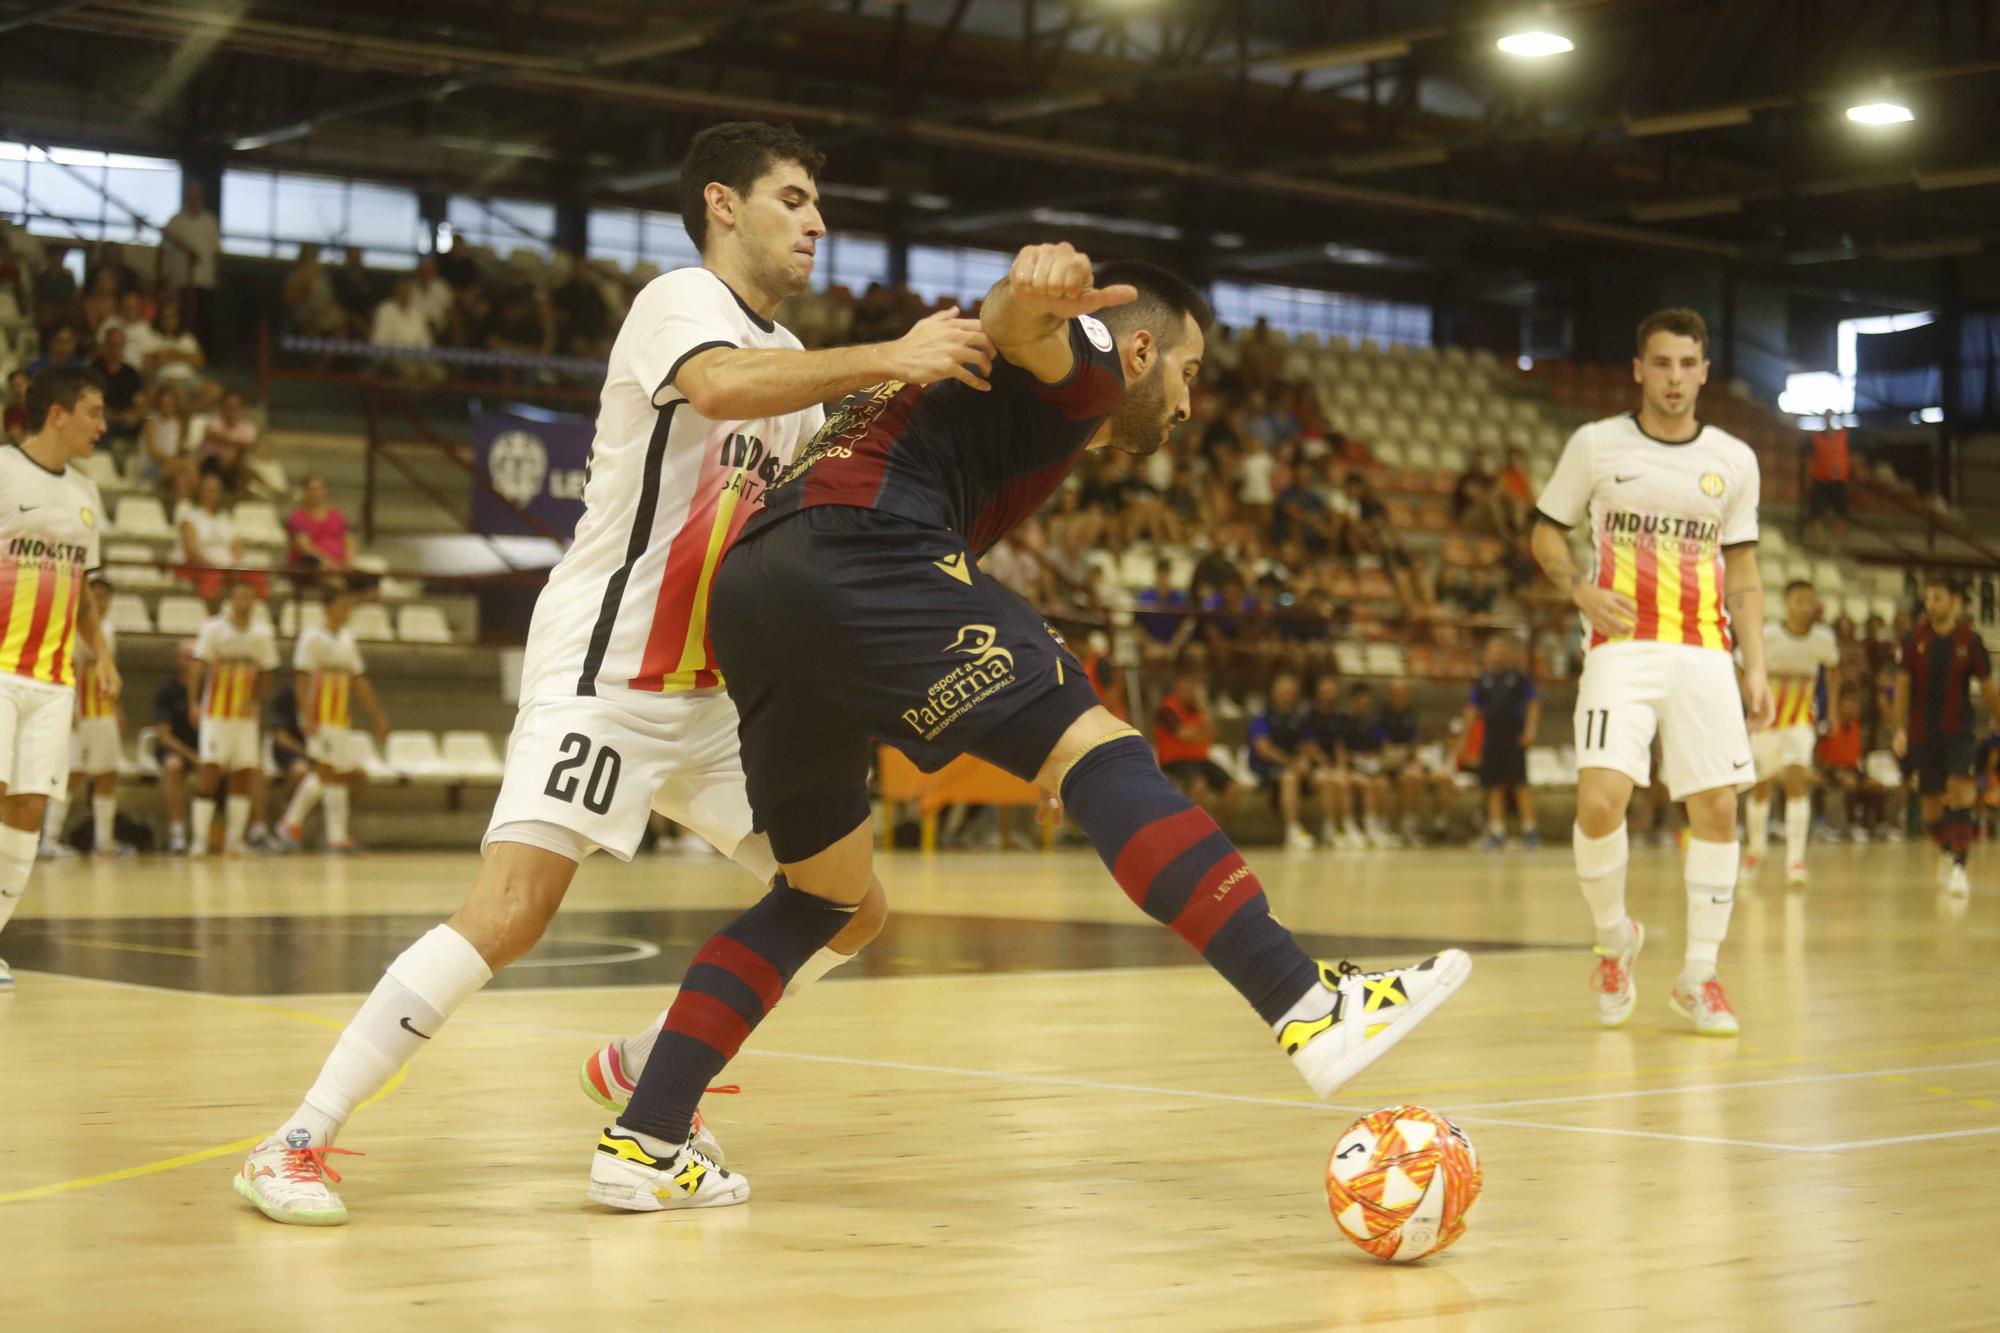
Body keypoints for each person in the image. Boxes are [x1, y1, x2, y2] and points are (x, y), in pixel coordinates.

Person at [588, 242, 1470, 1213]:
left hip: (757, 591)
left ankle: (647, 1137)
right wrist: (1031, 288)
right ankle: (1305, 1000)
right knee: (1099, 749)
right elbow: (1019, 323)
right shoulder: (1094, 364)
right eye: (1188, 372)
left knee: (819, 895)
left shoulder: (994, 407)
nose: (1188, 404)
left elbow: (1006, 339)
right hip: (863, 545)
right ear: (1141, 351)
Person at [234, 120, 997, 1225]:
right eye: (792, 199)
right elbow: (721, 388)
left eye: (816, 204)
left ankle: (652, 1067)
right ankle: (295, 1138)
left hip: (714, 695)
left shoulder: (790, 366)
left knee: (849, 905)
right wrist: (892, 354)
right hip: (609, 668)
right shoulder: (678, 302)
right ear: (722, 204)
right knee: (511, 910)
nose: (817, 223)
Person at [1530, 307, 1771, 1037]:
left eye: (1687, 364)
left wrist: (1756, 666)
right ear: (1639, 369)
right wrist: (1579, 590)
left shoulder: (1734, 459)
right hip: (1621, 648)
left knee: (1718, 809)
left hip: (1704, 652)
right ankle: (1615, 941)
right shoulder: (1596, 444)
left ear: (1705, 372)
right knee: (1600, 802)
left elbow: (1744, 570)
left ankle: (1699, 976)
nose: (1674, 377)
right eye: (1661, 363)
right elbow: (1545, 533)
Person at [0, 366, 120, 991]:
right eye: (94, 413)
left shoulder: (86, 493)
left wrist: (102, 653)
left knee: (29, 805)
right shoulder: (2, 471)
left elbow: (82, 589)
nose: (103, 426)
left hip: (53, 679)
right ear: (56, 413)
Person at [1891, 574, 1999, 898]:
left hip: (1959, 732)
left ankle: (1960, 869)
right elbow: (1903, 686)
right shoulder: (1914, 639)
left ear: (1955, 601)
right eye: (1928, 597)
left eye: (1937, 597)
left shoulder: (1970, 641)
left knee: (1959, 790)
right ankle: (1947, 851)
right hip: (1923, 733)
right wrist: (1899, 728)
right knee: (1931, 811)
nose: (1931, 603)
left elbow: (1988, 687)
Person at [276, 587, 388, 852]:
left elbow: (359, 680)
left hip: (340, 718)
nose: (346, 611)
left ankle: (332, 836)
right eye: (342, 606)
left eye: (349, 606)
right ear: (327, 607)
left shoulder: (347, 639)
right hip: (320, 717)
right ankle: (292, 824)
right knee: (325, 772)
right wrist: (306, 715)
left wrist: (377, 716)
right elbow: (301, 679)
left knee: (337, 774)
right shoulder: (312, 638)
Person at [1743, 579, 1839, 886]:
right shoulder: (1768, 634)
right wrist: (1751, 702)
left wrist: (1833, 710)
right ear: (1786, 604)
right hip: (1766, 723)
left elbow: (1833, 670)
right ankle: (1755, 849)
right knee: (1762, 786)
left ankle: (1795, 859)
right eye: (1799, 600)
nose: (1805, 606)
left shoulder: (1823, 638)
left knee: (1797, 781)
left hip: (1800, 722)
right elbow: (1740, 665)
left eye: (1810, 600)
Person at [186, 578, 279, 856]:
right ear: (230, 600)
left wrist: (255, 699)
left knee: (243, 774)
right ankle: (200, 840)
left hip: (245, 718)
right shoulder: (213, 629)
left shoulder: (262, 634)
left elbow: (267, 674)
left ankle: (234, 840)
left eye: (248, 597)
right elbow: (198, 667)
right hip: (215, 714)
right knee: (209, 773)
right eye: (239, 597)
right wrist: (193, 703)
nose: (243, 603)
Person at [1465, 636, 1541, 849]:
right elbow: (1472, 711)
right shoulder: (1482, 681)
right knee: (1494, 786)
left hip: (1514, 738)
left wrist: (1530, 730)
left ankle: (1530, 831)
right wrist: (1464, 741)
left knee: (1520, 785)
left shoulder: (1519, 678)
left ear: (1507, 654)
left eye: (1500, 651)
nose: (1497, 655)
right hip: (1492, 739)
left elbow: (1533, 704)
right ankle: (1497, 832)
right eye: (1493, 651)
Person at [70, 578, 125, 855]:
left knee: (108, 773)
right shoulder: (72, 629)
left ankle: (104, 843)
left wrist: (118, 708)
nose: (100, 602)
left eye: (105, 597)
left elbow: (109, 674)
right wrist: (69, 710)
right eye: (96, 596)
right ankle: (49, 840)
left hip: (104, 712)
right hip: (79, 713)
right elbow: (67, 670)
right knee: (72, 773)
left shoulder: (109, 631)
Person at [1373, 679, 1458, 844]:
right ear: (1390, 696)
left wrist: (1415, 761)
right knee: (1411, 778)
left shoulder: (1411, 714)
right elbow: (1385, 748)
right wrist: (1403, 760)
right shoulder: (1381, 716)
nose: (1400, 697)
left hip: (1409, 761)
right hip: (1389, 766)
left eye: (1403, 694)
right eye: (1396, 694)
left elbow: (1414, 743)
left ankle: (1439, 826)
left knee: (1442, 779)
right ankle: (1407, 826)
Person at [1249, 669, 1319, 850]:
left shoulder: (1299, 717)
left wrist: (1305, 760)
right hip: (1267, 766)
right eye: (1283, 691)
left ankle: (1334, 828)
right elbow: (1264, 749)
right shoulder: (1263, 716)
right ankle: (1293, 830)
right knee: (1289, 778)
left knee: (1326, 778)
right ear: (1274, 692)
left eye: (1291, 692)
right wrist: (1292, 763)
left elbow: (1308, 745)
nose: (1287, 695)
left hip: (1294, 764)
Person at [1152, 658, 1236, 809]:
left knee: (1232, 788)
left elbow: (1214, 733)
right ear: (1177, 687)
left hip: (1200, 759)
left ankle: (1215, 822)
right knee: (1198, 784)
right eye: (1186, 687)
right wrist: (1202, 734)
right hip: (1175, 761)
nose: (1189, 691)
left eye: (1192, 688)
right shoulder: (1168, 710)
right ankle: (1190, 822)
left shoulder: (1197, 710)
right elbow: (1183, 735)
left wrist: (1202, 708)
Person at [152, 640, 201, 853]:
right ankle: (177, 833)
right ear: (179, 661)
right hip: (176, 750)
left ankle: (215, 836)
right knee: (174, 766)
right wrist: (193, 757)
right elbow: (164, 737)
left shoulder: (210, 689)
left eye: (196, 658)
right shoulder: (168, 690)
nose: (193, 663)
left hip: (206, 751)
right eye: (188, 658)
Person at [1305, 673, 1364, 849]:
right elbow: (1309, 746)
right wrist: (1325, 765)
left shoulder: (1339, 717)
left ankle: (1347, 825)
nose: (1328, 696)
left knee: (1342, 780)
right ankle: (1329, 829)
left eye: (1331, 692)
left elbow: (1340, 745)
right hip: (1315, 767)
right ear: (1318, 693)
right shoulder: (1310, 716)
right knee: (1328, 780)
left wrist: (1341, 767)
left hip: (1333, 766)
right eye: (1325, 692)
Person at [159, 181, 222, 345]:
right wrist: (163, 278)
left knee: (203, 322)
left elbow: (216, 252)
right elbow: (163, 252)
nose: (194, 199)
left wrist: (216, 276)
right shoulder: (175, 221)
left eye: (197, 196)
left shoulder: (210, 221)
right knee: (182, 320)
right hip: (180, 282)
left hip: (205, 282)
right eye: (191, 195)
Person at [177, 472, 243, 602]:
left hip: (225, 566)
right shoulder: (190, 517)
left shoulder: (227, 519)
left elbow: (237, 548)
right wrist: (214, 566)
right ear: (201, 493)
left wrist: (232, 567)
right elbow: (191, 551)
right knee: (212, 575)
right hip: (198, 566)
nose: (213, 494)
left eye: (216, 491)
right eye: (209, 491)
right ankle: (210, 612)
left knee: (254, 575)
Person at [89, 325, 145, 457]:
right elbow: (90, 401)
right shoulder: (93, 371)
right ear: (104, 346)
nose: (114, 349)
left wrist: (135, 414)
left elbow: (140, 401)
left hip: (127, 420)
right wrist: (116, 416)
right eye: (111, 345)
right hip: (105, 417)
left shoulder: (131, 373)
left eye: (118, 345)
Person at [1805, 411, 1850, 550]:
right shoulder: (1815, 438)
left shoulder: (1844, 437)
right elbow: (1808, 460)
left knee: (1841, 515)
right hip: (1820, 482)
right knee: (1816, 514)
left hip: (1839, 482)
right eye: (1827, 418)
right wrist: (1808, 480)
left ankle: (1833, 545)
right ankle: (1818, 544)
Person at [286, 475, 352, 571]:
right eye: (312, 489)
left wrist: (348, 561)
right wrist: (330, 563)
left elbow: (348, 541)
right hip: (311, 565)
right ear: (305, 492)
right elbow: (305, 546)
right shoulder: (298, 517)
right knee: (320, 568)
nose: (316, 493)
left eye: (319, 489)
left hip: (338, 565)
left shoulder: (336, 515)